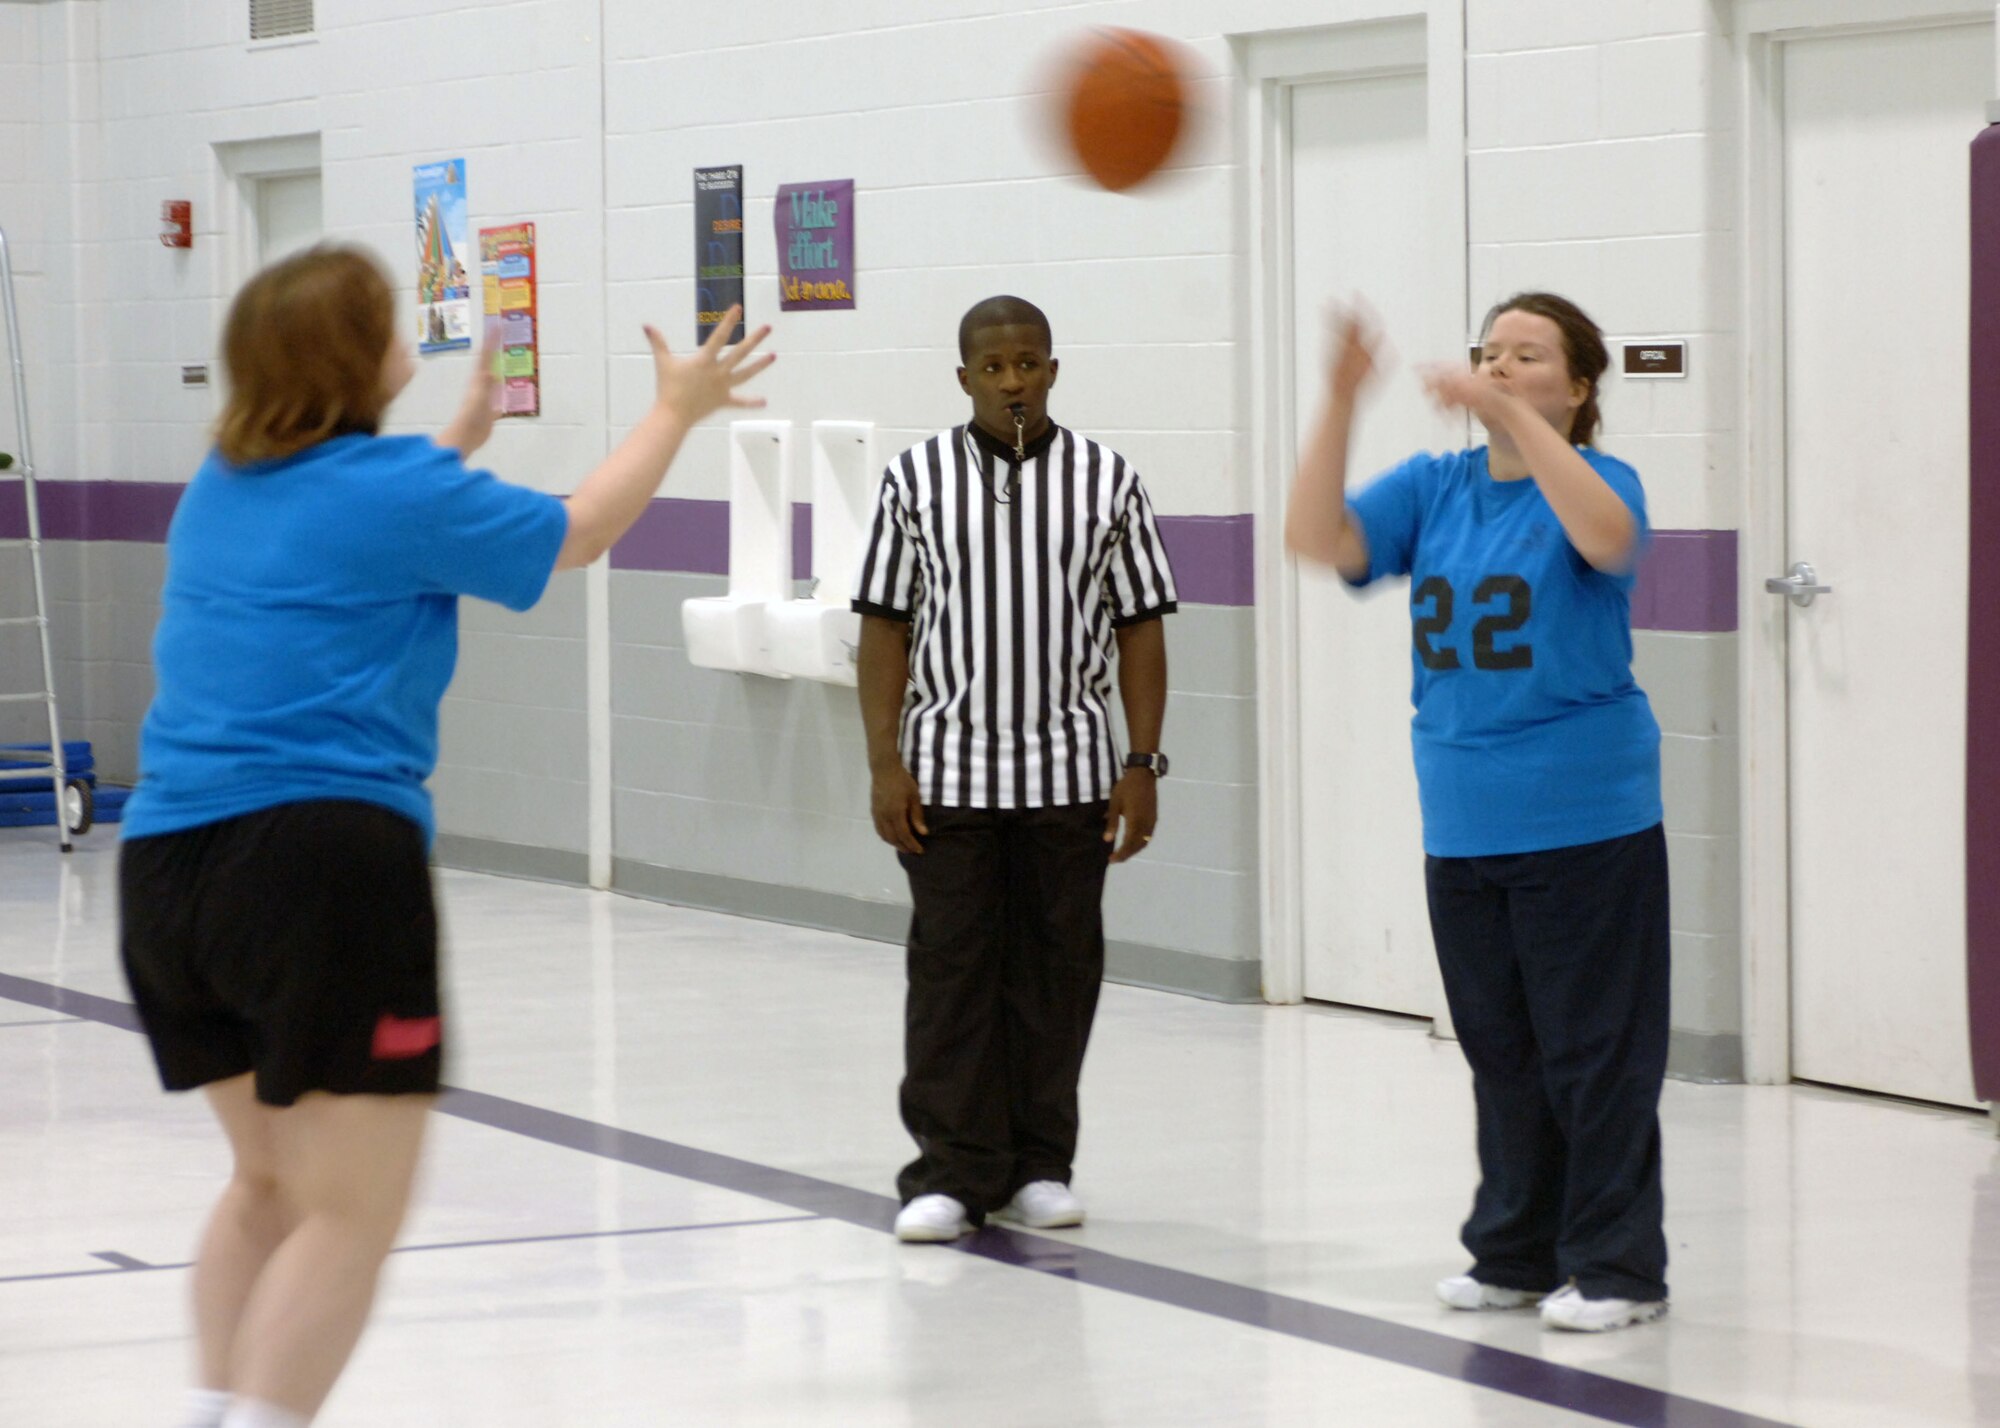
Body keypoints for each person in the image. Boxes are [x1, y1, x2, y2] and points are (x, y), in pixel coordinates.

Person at [119, 244, 772, 1428]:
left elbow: (362, 516)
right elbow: (577, 532)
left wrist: (460, 433)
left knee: (266, 1183)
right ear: (352, 355)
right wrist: (674, 414)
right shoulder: (392, 492)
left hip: (166, 865)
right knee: (351, 1214)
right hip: (314, 862)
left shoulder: (223, 478)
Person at [1284, 292, 1671, 1333]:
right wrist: (1335, 401)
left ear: (1579, 387)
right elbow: (1312, 535)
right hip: (1461, 817)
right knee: (1501, 1050)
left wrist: (1517, 427)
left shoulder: (1598, 481)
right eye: (1487, 352)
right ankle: (1513, 1249)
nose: (1497, 366)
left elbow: (1603, 538)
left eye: (1527, 355)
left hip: (1584, 815)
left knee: (1595, 1052)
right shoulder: (1434, 486)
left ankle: (1617, 1268)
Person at [852, 295, 1178, 1243]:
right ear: (964, 379)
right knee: (952, 976)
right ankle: (949, 1172)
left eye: (1029, 363)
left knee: (1056, 976)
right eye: (993, 368)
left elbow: (1141, 627)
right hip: (947, 773)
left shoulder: (1107, 480)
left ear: (1053, 371)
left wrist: (1142, 761)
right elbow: (883, 626)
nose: (1013, 381)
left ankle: (1040, 1164)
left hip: (1069, 773)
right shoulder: (914, 480)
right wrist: (885, 760)